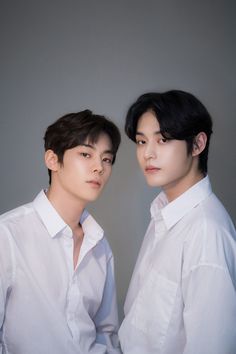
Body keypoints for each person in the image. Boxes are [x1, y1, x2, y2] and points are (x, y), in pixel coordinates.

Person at [119, 90, 236, 354]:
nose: (147, 153)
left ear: (197, 144)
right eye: (141, 142)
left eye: (162, 140)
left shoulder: (206, 232)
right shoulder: (164, 212)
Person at [0, 110, 122, 354]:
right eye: (86, 154)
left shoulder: (99, 245)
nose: (99, 167)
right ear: (52, 160)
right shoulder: (8, 235)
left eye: (106, 159)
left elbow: (106, 334)